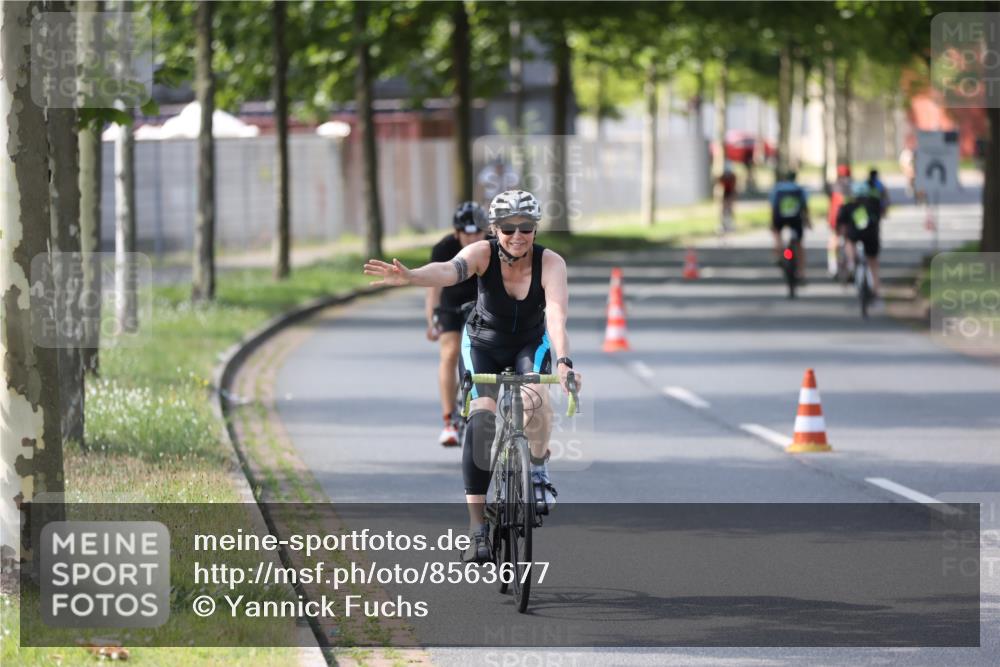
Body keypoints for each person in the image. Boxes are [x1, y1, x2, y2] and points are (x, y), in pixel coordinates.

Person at [364, 190, 582, 563]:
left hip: (530, 342)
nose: (518, 235)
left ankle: (539, 470)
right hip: (483, 342)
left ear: (535, 227)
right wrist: (412, 276)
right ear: (494, 229)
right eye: (509, 227)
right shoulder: (481, 253)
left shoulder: (551, 263)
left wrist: (564, 362)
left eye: (526, 226)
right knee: (481, 419)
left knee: (536, 398)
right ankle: (477, 528)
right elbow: (451, 270)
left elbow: (556, 315)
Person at [427, 202, 487, 446]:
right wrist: (431, 319)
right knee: (450, 352)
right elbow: (433, 287)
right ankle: (449, 420)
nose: (473, 238)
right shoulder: (444, 248)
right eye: (467, 233)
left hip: (482, 305)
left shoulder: (493, 246)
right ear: (457, 233)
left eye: (478, 232)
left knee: (483, 353)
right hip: (451, 305)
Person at [836, 181, 883, 303]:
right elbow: (879, 218)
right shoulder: (873, 205)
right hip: (871, 236)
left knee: (849, 242)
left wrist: (840, 235)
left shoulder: (848, 206)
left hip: (854, 235)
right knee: (873, 262)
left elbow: (841, 225)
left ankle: (852, 263)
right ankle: (876, 289)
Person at [770, 171, 811, 280]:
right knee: (798, 243)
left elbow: (773, 205)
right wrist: (807, 220)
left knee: (777, 234)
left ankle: (778, 254)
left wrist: (772, 223)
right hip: (795, 218)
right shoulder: (799, 189)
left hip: (780, 217)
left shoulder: (778, 188)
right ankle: (801, 271)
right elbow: (805, 205)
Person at [826, 164, 852, 277]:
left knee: (834, 240)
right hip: (848, 217)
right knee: (848, 240)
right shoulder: (851, 186)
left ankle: (833, 267)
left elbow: (831, 204)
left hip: (836, 217)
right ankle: (851, 265)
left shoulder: (834, 186)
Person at [717, 165, 737, 237]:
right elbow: (720, 185)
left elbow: (733, 187)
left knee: (730, 208)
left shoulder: (732, 177)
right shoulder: (723, 177)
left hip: (730, 193)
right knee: (723, 209)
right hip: (725, 193)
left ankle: (731, 223)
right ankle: (722, 224)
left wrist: (733, 197)